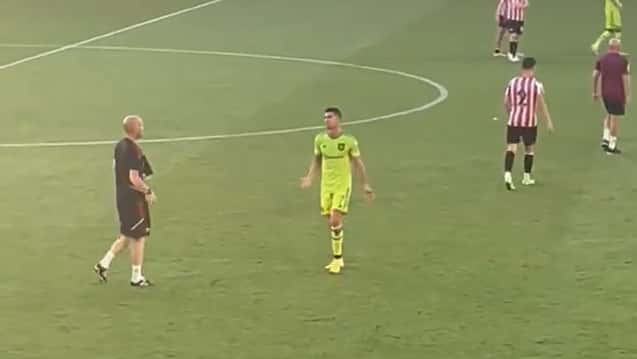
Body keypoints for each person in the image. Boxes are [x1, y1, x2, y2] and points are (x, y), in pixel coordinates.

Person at [300, 108, 374, 274]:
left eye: (330, 117)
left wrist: (365, 185)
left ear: (338, 120)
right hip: (326, 186)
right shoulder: (319, 139)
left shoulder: (349, 141)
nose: (326, 120)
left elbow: (358, 163)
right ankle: (337, 255)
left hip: (342, 185)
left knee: (334, 220)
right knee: (331, 223)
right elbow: (317, 160)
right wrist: (309, 177)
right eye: (325, 117)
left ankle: (337, 258)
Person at [94, 115, 156, 287]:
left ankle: (103, 264)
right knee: (138, 237)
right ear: (134, 128)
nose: (143, 128)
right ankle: (136, 277)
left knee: (128, 234)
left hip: (121, 196)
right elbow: (134, 178)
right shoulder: (133, 150)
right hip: (133, 200)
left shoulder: (120, 146)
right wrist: (147, 191)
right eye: (141, 126)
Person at [503, 57, 555, 190]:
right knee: (529, 149)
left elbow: (506, 102)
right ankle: (526, 177)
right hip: (529, 122)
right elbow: (541, 104)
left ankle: (508, 174)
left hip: (514, 120)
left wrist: (511, 114)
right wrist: (548, 121)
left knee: (511, 148)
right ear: (533, 68)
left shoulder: (513, 82)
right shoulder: (536, 85)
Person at [593, 38, 631, 154]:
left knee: (609, 114)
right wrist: (627, 94)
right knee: (615, 118)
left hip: (605, 93)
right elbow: (625, 78)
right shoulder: (623, 61)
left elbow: (595, 75)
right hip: (617, 93)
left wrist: (594, 91)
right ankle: (612, 146)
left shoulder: (601, 59)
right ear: (618, 48)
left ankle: (605, 138)